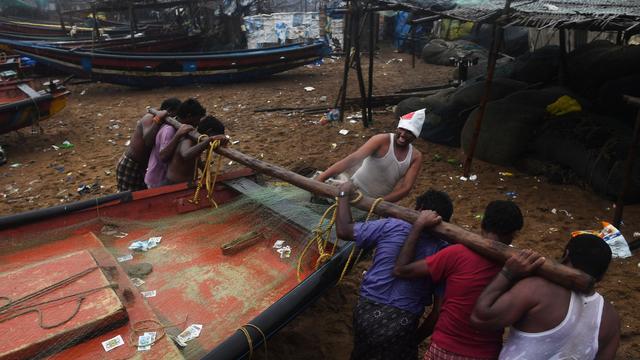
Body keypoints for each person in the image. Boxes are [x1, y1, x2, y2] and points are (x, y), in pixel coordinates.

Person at [335, 180, 453, 360]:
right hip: (403, 322)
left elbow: (343, 230)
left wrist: (342, 194)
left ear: (417, 209)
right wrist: (414, 340)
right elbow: (438, 311)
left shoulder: (392, 225)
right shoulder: (444, 251)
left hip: (365, 311)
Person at [393, 200, 524, 360]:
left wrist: (418, 225)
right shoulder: (517, 270)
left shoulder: (455, 254)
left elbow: (402, 270)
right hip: (484, 354)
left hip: (443, 349)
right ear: (513, 234)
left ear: (483, 224)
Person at [471, 234, 620, 359]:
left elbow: (481, 318)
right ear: (602, 275)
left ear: (566, 255)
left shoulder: (538, 289)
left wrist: (508, 273)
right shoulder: (611, 318)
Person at [315, 109, 426, 202]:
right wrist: (322, 178)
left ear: (415, 136)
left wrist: (379, 203)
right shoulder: (381, 140)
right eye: (402, 129)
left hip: (377, 199)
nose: (403, 135)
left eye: (409, 132)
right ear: (397, 128)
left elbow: (405, 188)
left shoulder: (415, 157)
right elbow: (352, 159)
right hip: (353, 188)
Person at [116, 98, 181, 192]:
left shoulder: (163, 124)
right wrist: (158, 119)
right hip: (131, 165)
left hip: (143, 167)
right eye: (175, 116)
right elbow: (148, 140)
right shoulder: (150, 118)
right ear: (169, 111)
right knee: (129, 200)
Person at [144, 98, 205, 188]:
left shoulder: (182, 128)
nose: (198, 123)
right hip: (158, 179)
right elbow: (163, 157)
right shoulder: (170, 130)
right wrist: (178, 136)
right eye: (197, 119)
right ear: (189, 116)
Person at [165, 115, 228, 185]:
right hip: (174, 185)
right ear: (209, 131)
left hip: (185, 183)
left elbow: (198, 161)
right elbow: (186, 155)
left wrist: (209, 176)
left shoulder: (197, 143)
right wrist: (209, 140)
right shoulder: (189, 140)